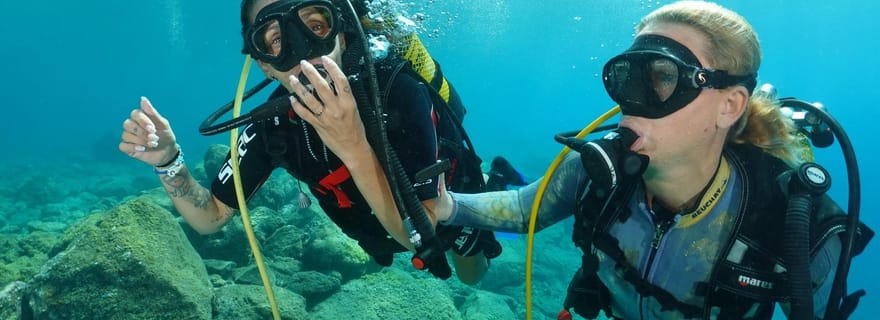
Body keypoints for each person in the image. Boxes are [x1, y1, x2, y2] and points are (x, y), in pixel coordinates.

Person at [309, 1, 873, 319]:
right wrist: (448, 205)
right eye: (625, 79)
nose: (630, 102)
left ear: (729, 104)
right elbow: (522, 210)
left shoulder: (797, 223)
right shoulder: (596, 172)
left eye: (661, 79)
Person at [118, 0, 504, 284]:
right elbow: (209, 217)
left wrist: (352, 143)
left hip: (445, 208)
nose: (303, 51)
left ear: (341, 30)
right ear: (266, 65)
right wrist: (169, 162)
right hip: (378, 234)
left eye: (315, 25)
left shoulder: (399, 92)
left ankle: (493, 182)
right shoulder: (275, 124)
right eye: (276, 40)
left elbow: (421, 235)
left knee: (470, 276)